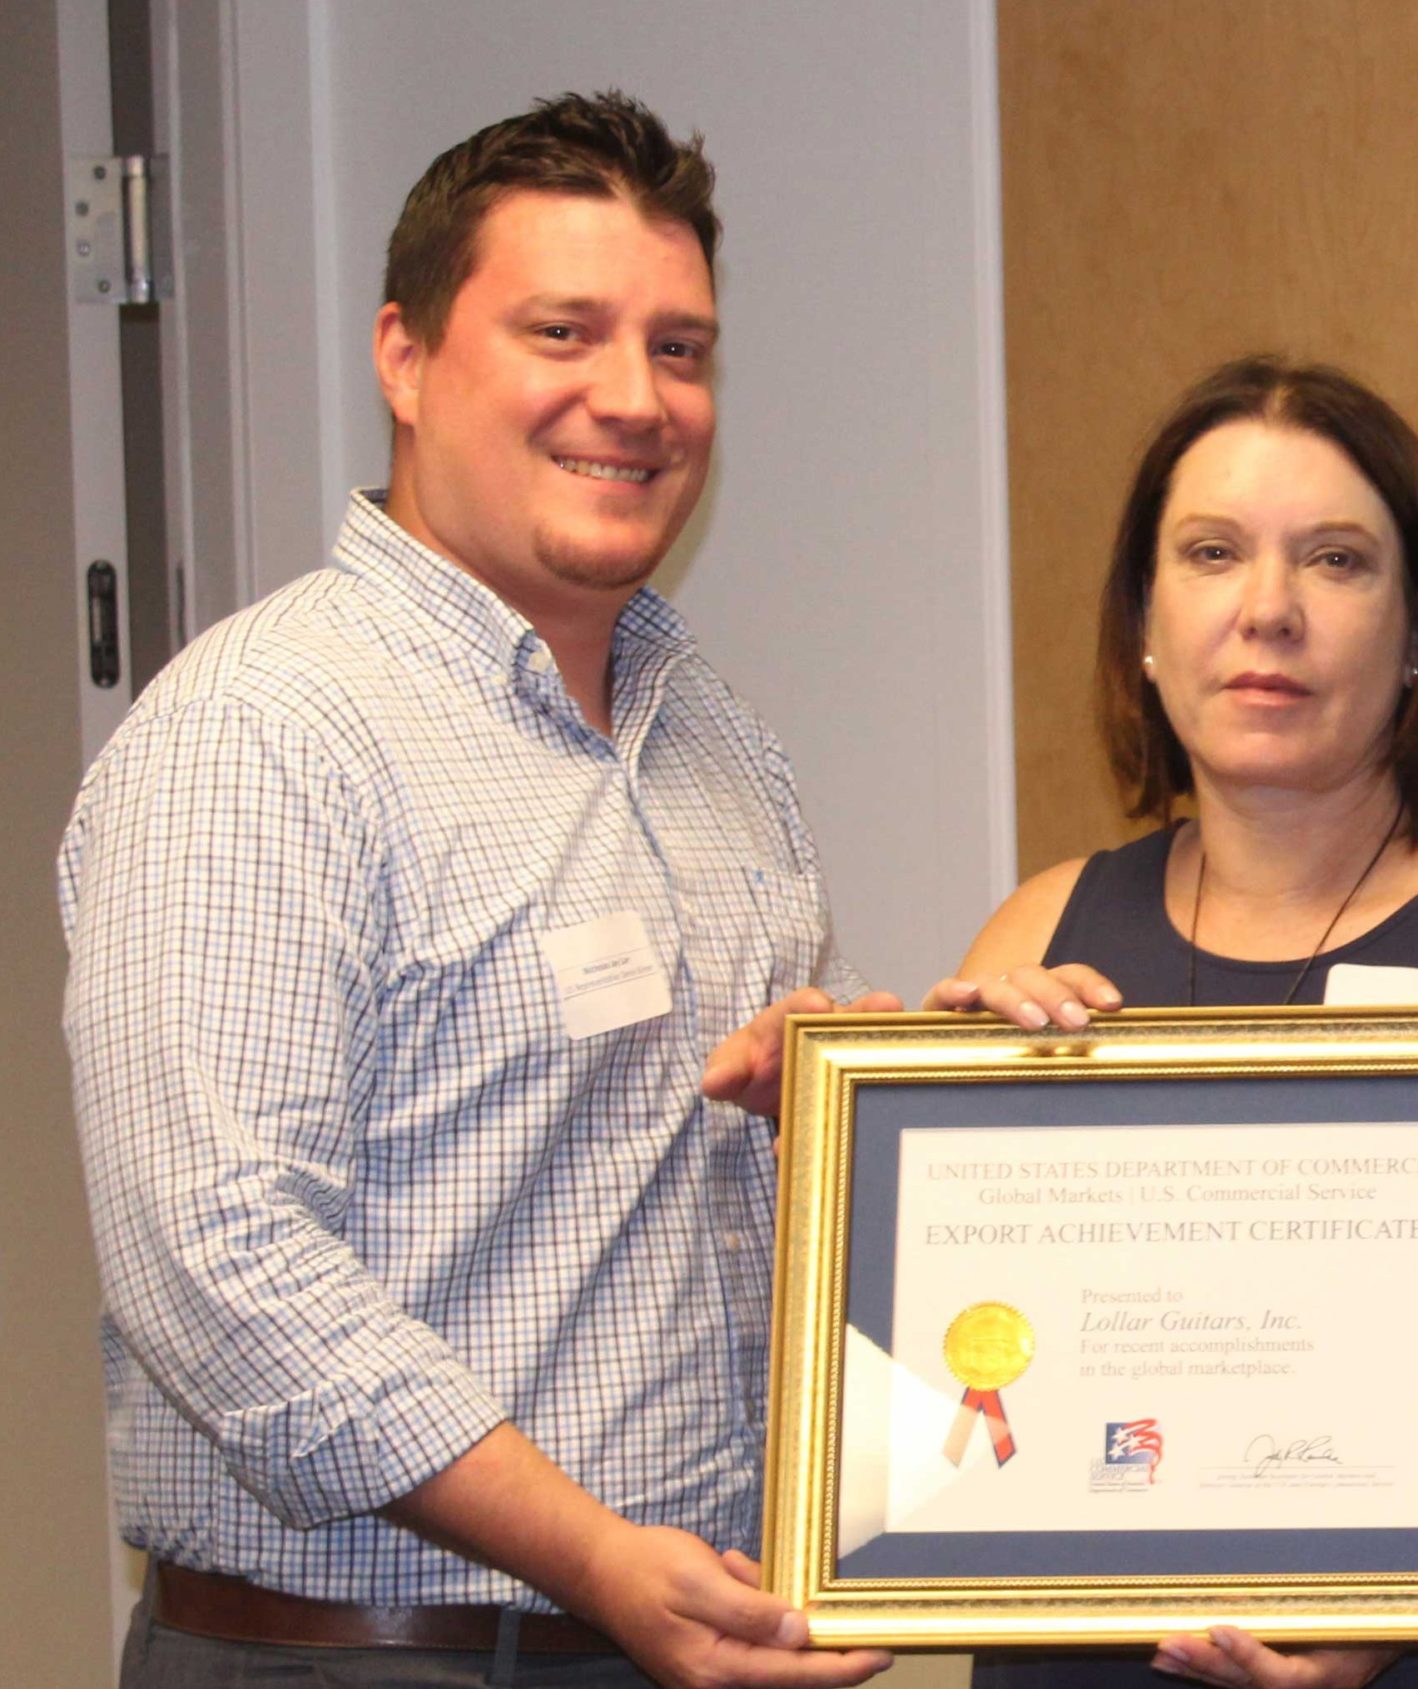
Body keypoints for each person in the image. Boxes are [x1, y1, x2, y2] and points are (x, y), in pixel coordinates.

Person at [60, 92, 891, 1689]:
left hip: (687, 1636)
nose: (634, 399)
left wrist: (896, 1104)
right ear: (405, 355)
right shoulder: (265, 731)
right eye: (564, 331)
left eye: (683, 349)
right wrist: (588, 1553)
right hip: (372, 1657)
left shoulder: (719, 747)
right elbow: (226, 1266)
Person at [947, 357, 1418, 1689]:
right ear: (1144, 616)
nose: (1267, 611)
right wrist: (921, 1146)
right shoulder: (1036, 938)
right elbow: (963, 1397)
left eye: (1337, 560)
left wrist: (1401, 1598)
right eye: (1212, 553)